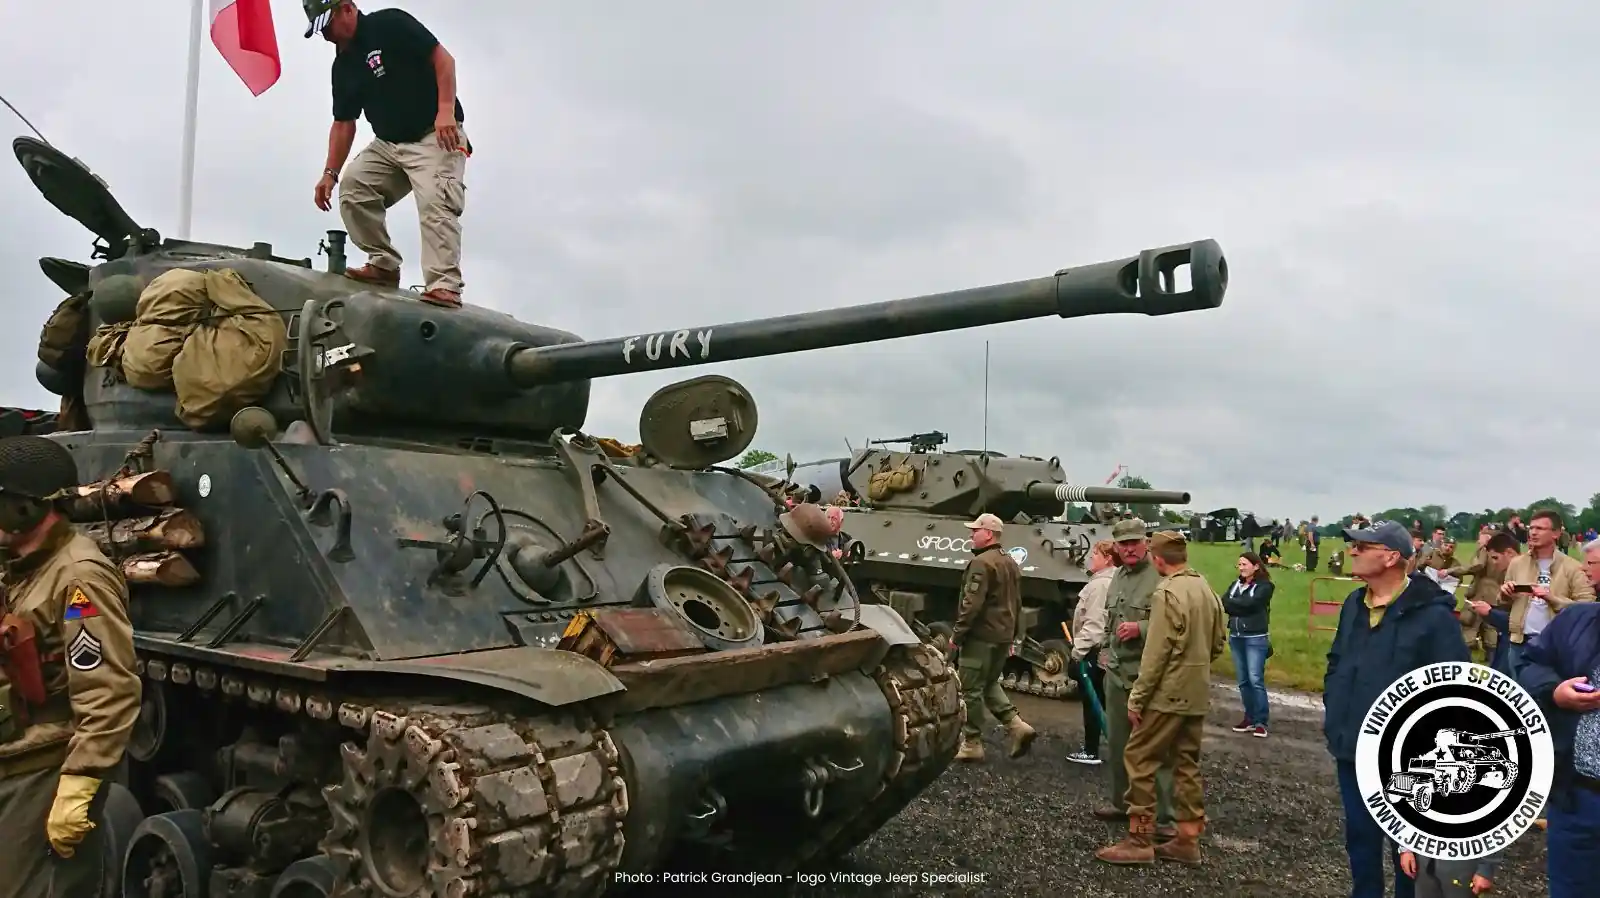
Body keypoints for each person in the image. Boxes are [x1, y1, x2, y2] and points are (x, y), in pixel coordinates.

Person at [0, 436, 140, 898]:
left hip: (44, 770)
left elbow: (107, 689)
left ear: (25, 508)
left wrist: (80, 782)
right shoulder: (21, 566)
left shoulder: (79, 578)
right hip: (15, 759)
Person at [1324, 520, 1468, 898]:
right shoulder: (1354, 604)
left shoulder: (1433, 616)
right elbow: (1337, 660)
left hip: (1406, 757)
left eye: (1362, 546)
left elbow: (1453, 689)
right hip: (1352, 746)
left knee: (1410, 852)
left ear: (1391, 557)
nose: (1353, 551)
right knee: (1360, 840)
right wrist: (1335, 707)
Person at [306, 0, 470, 309]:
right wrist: (330, 173)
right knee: (354, 188)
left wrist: (446, 110)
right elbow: (344, 122)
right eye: (320, 29)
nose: (325, 34)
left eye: (328, 24)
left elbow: (443, 59)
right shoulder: (343, 65)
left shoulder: (391, 25)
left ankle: (444, 285)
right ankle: (383, 264)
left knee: (435, 198)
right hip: (389, 144)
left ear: (347, 8)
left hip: (434, 135)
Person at [1095, 531, 1225, 866]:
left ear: (1157, 558)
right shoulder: (1204, 587)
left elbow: (1155, 654)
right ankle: (1187, 840)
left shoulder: (1166, 592)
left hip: (1168, 694)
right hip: (1195, 691)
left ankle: (1140, 839)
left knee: (1138, 757)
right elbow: (1218, 643)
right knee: (1186, 764)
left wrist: (1137, 698)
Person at [1515, 539, 1600, 898]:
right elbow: (1529, 664)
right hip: (1578, 798)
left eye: (1593, 563)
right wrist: (1555, 691)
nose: (1585, 570)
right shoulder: (1576, 620)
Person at [1093, 518, 1176, 843]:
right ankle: (1123, 804)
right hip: (1117, 673)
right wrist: (1104, 652)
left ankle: (1165, 818)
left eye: (1134, 543)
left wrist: (1140, 628)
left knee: (1156, 749)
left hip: (1147, 676)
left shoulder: (1161, 577)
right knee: (1117, 744)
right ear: (1115, 546)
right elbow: (1110, 620)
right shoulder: (1118, 576)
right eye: (1123, 543)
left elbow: (1174, 621)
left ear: (1146, 543)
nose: (1129, 549)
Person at [951, 513, 1035, 762]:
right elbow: (1017, 603)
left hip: (981, 636)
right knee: (988, 683)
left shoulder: (981, 563)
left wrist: (957, 635)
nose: (971, 534)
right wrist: (1013, 636)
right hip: (1002, 636)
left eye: (975, 530)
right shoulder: (1009, 561)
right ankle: (1017, 726)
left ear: (988, 534)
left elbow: (971, 605)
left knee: (970, 689)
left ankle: (972, 743)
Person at [1501, 510, 1595, 677]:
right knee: (1518, 691)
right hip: (1519, 643)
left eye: (1540, 528)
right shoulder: (1516, 563)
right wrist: (1505, 594)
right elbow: (1504, 603)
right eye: (1531, 528)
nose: (1533, 532)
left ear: (1556, 533)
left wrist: (1552, 599)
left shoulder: (1573, 567)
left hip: (1555, 646)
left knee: (1548, 690)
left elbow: (1587, 608)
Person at [1067, 539, 1115, 766]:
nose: (1090, 558)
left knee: (1093, 700)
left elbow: (1094, 625)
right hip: (1106, 651)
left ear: (1108, 558)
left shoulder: (1099, 586)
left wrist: (1077, 652)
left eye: (1095, 554)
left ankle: (1091, 750)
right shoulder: (1112, 580)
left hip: (1094, 652)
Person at [1223, 551, 1274, 738]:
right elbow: (1224, 602)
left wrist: (1235, 605)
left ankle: (1261, 721)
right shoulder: (1235, 585)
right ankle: (1249, 718)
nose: (1241, 568)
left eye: (1244, 564)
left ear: (1256, 566)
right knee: (1243, 681)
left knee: (1255, 679)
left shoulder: (1265, 586)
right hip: (1236, 636)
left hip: (1255, 638)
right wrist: (1239, 605)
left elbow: (1252, 605)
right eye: (1239, 564)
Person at [1450, 529, 1514, 663]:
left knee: (1469, 625)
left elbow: (1477, 566)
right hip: (1497, 595)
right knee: (1491, 629)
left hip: (1481, 594)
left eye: (1481, 538)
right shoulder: (1507, 557)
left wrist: (1451, 571)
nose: (1478, 541)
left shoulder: (1485, 551)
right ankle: (1491, 659)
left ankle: (1466, 659)